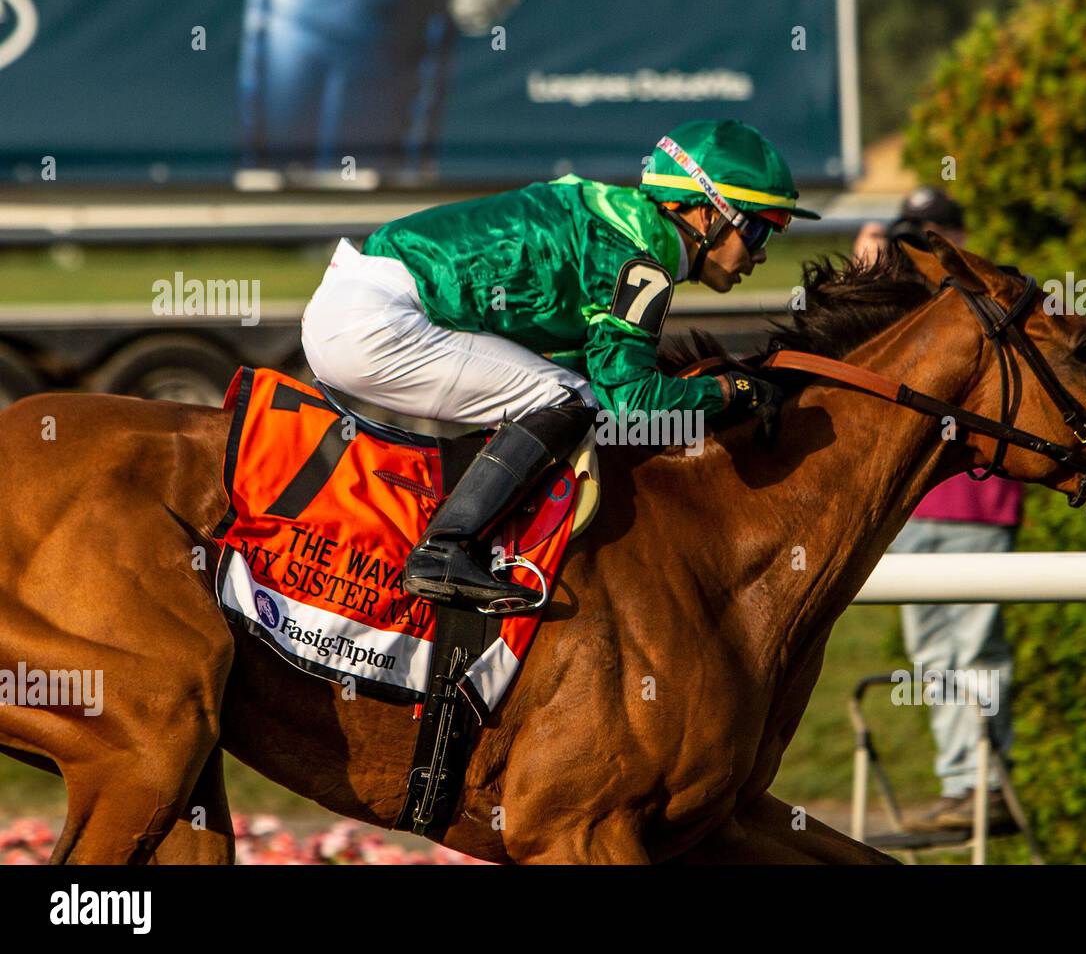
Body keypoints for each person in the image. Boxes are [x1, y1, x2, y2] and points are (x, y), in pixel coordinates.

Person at [300, 119, 816, 612]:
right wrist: (733, 393)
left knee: (566, 389)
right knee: (573, 398)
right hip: (375, 321)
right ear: (707, 214)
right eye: (759, 232)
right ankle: (445, 547)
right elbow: (630, 403)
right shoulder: (638, 260)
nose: (762, 255)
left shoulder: (616, 223)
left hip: (361, 304)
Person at [855, 187, 1023, 833]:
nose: (924, 249)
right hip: (909, 507)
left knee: (975, 648)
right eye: (913, 237)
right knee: (931, 653)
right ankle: (964, 783)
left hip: (978, 505)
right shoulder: (897, 306)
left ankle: (982, 783)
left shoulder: (998, 300)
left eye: (934, 235)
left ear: (960, 236)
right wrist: (865, 278)